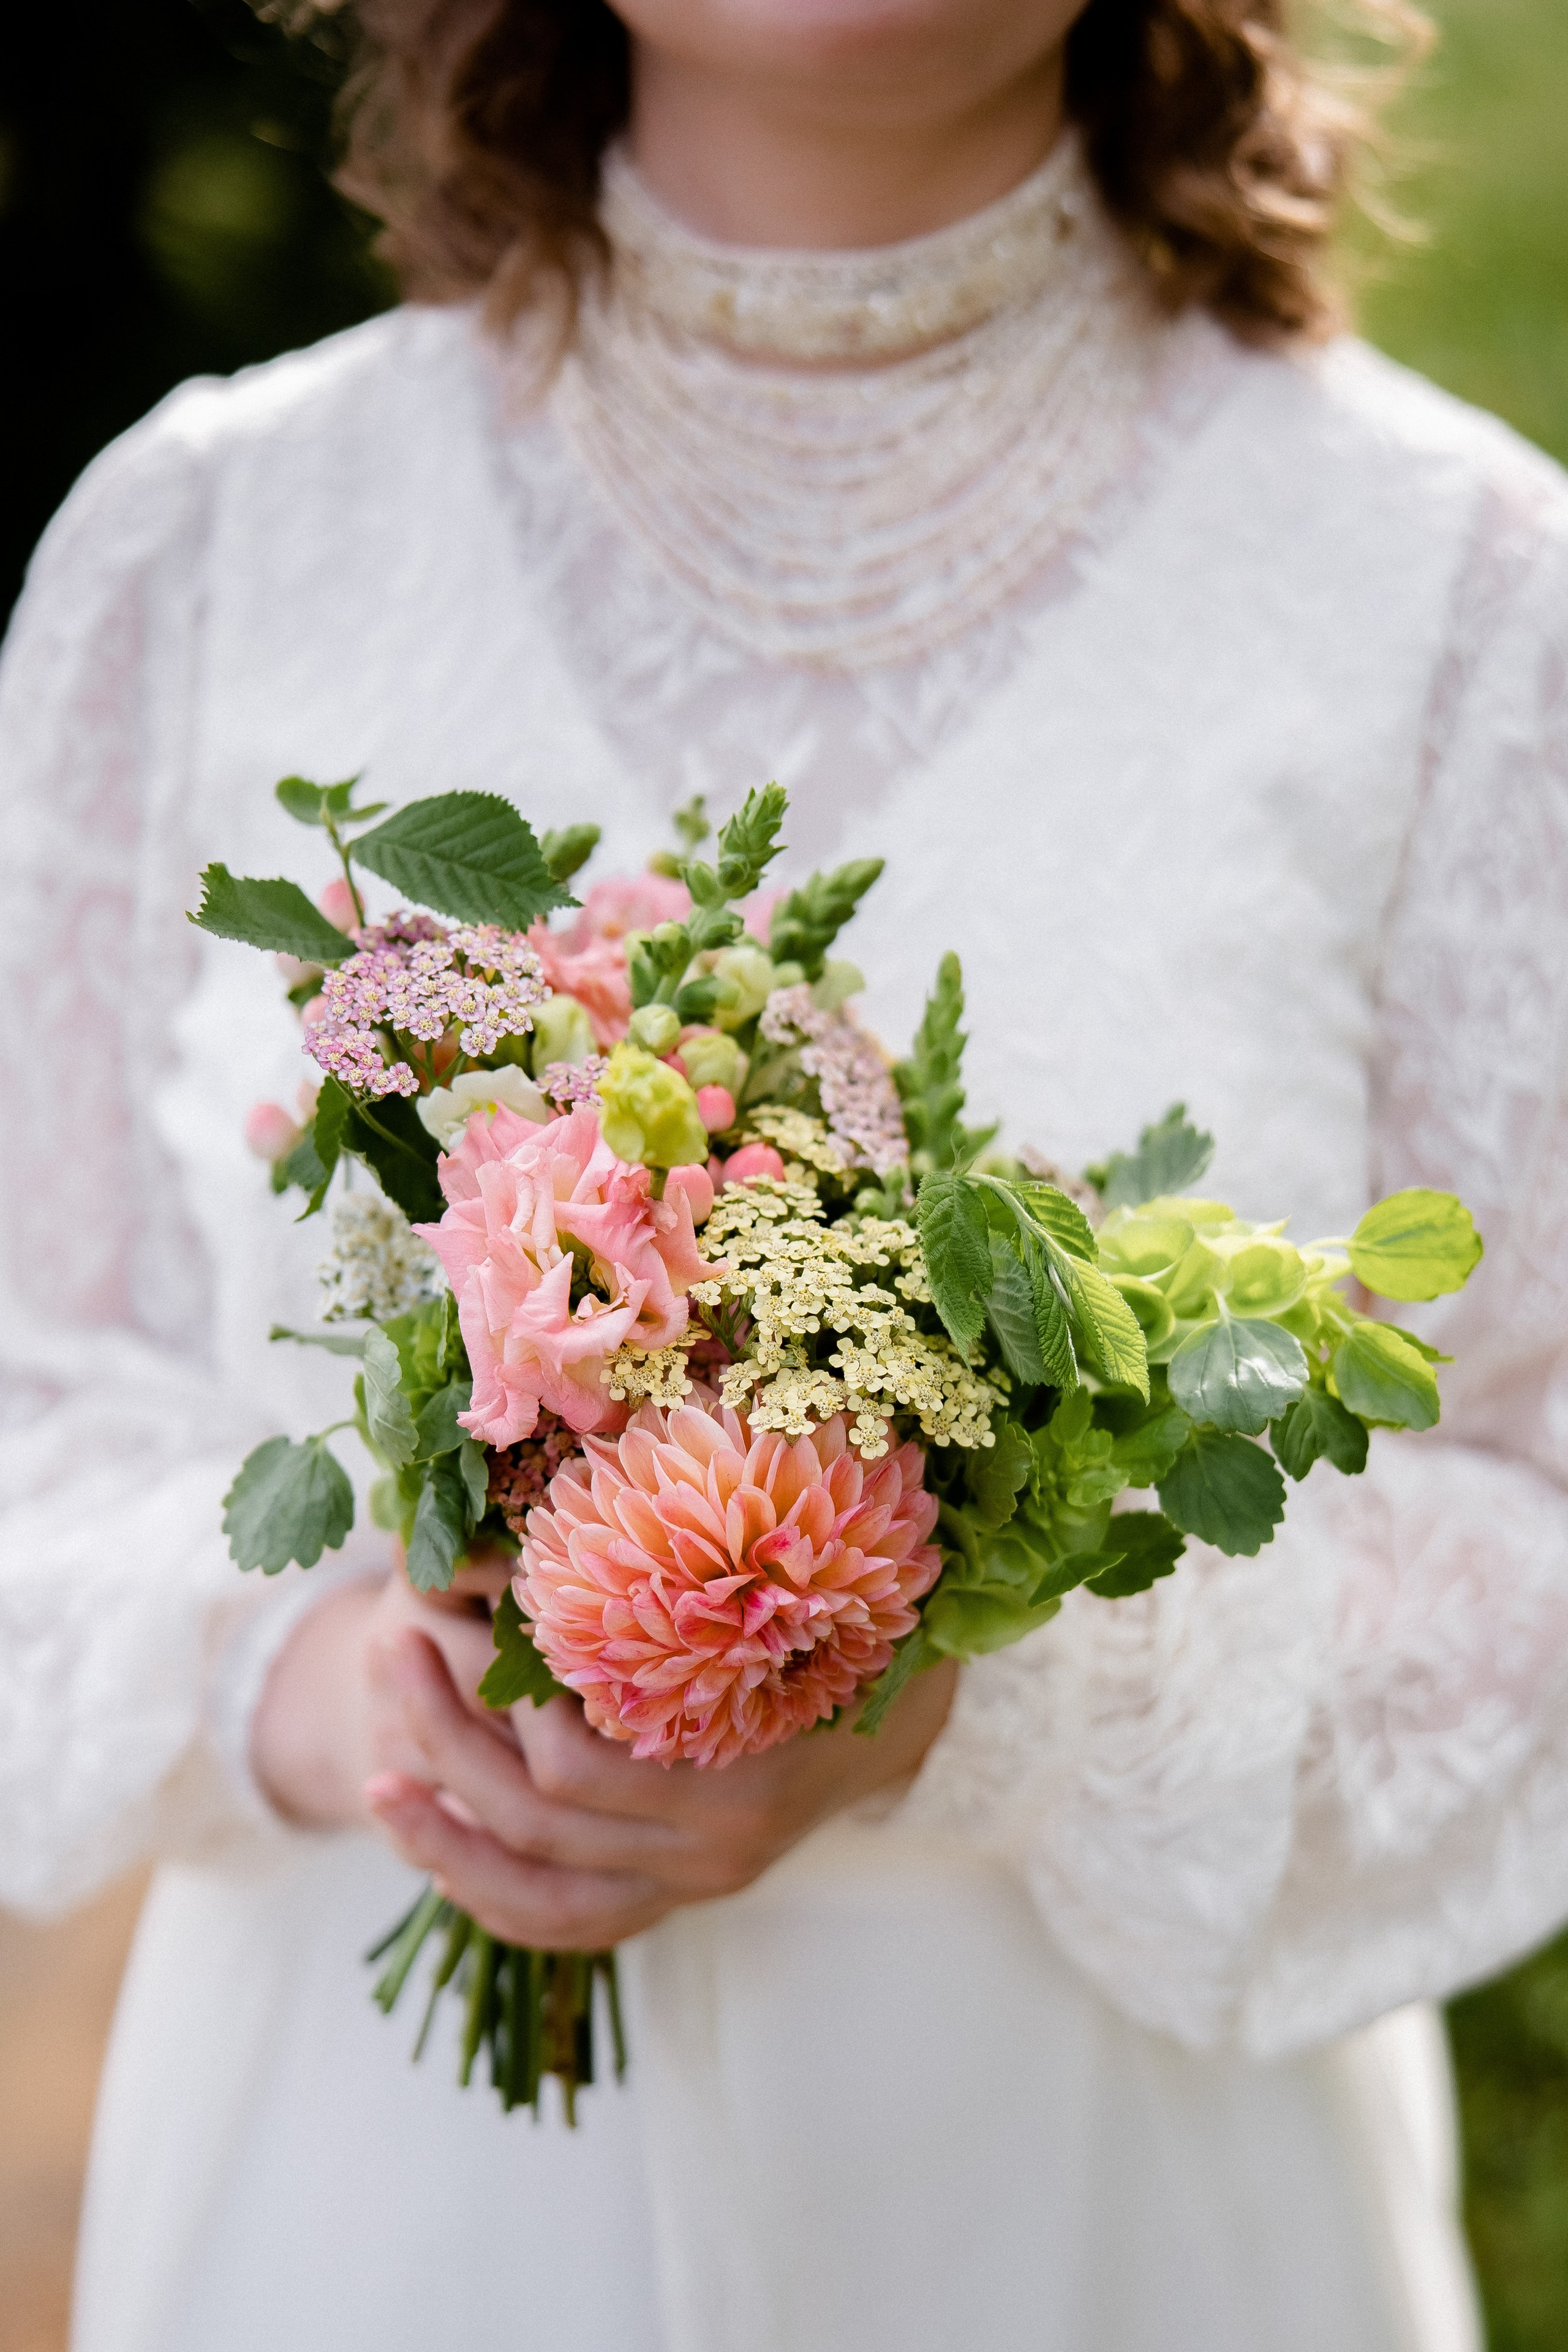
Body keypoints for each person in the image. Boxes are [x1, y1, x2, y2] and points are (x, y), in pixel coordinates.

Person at [2, 1, 1566, 2346]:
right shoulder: (206, 540)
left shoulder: (1461, 596)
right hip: (369, 2231)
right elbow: (33, 1387)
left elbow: (1536, 1494)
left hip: (1112, 2233)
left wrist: (974, 1709)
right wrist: (318, 1689)